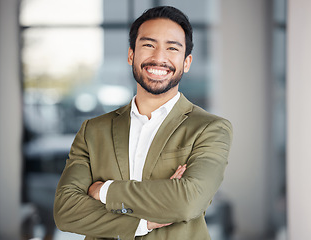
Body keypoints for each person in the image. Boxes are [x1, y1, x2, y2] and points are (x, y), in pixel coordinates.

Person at [54, 6, 232, 240]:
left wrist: (103, 190)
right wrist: (143, 222)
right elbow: (66, 212)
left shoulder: (209, 129)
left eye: (172, 48)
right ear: (131, 55)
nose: (159, 58)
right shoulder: (93, 131)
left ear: (186, 62)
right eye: (149, 45)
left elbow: (187, 201)